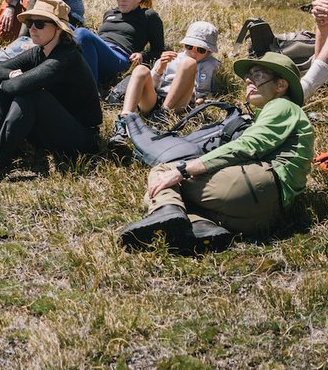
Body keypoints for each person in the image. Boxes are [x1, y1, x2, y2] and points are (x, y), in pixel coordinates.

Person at [119, 52, 315, 254]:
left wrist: (185, 170)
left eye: (258, 75)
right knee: (174, 199)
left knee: (163, 173)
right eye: (249, 75)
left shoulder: (281, 105)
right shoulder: (279, 111)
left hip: (261, 185)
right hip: (266, 216)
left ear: (281, 85)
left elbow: (248, 146)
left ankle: (164, 215)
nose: (248, 79)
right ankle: (201, 227)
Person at [0, 0, 101, 180]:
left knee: (31, 94)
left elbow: (19, 86)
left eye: (39, 24)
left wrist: (10, 80)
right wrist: (9, 76)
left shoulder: (65, 58)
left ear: (58, 28)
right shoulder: (39, 51)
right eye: (30, 23)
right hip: (50, 127)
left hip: (81, 138)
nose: (32, 29)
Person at [72, 0, 165, 89]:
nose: (121, 0)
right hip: (98, 52)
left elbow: (159, 50)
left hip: (120, 57)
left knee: (81, 33)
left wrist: (142, 55)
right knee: (63, 28)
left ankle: (90, 92)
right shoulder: (110, 13)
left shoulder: (148, 16)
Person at [116, 21, 220, 120]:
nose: (193, 52)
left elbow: (210, 92)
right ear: (184, 45)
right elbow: (152, 86)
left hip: (180, 103)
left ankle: (163, 114)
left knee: (189, 62)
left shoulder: (211, 65)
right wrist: (160, 69)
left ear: (209, 51)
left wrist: (202, 100)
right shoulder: (171, 58)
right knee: (140, 69)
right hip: (156, 99)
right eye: (189, 46)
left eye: (201, 50)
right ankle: (125, 117)